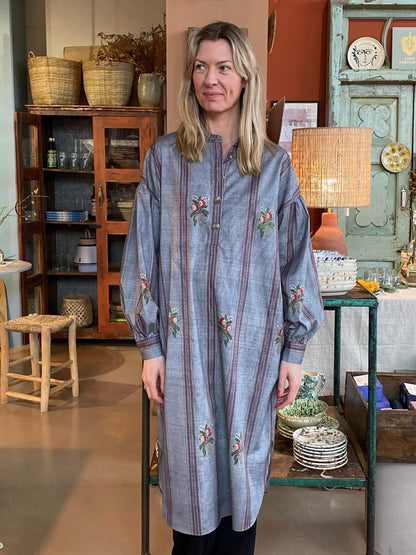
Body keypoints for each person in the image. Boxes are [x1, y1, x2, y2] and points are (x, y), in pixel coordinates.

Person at [120, 21, 324, 555]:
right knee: (190, 500)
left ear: (245, 77)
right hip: (183, 354)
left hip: (252, 357)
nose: (212, 79)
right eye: (202, 67)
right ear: (191, 77)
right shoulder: (164, 161)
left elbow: (295, 263)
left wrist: (293, 352)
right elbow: (142, 255)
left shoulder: (275, 169)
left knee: (241, 498)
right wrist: (150, 347)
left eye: (224, 67)